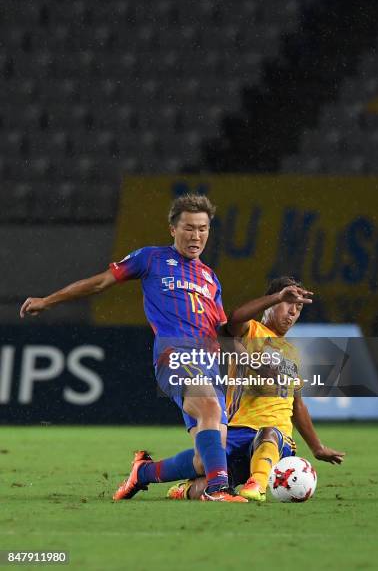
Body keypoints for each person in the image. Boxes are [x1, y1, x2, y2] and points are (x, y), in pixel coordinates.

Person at [20, 193, 245, 502]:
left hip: (209, 364)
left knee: (208, 459)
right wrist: (48, 301)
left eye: (203, 228)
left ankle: (144, 473)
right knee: (208, 409)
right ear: (172, 229)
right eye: (189, 228)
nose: (196, 236)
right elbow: (100, 283)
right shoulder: (151, 258)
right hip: (175, 352)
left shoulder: (210, 277)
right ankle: (221, 491)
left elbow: (222, 330)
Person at [167, 277, 345, 501]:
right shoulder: (251, 331)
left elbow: (297, 405)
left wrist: (317, 448)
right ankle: (175, 485)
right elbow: (234, 319)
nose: (292, 312)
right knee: (208, 481)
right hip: (236, 430)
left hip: (276, 438)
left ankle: (257, 484)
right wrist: (275, 297)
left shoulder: (293, 353)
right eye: (288, 303)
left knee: (268, 431)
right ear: (272, 302)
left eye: (298, 308)